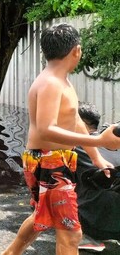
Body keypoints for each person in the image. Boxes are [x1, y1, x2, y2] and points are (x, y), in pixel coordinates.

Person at [2, 23, 120, 255]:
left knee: (42, 218)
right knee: (71, 233)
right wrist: (101, 141)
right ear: (76, 50)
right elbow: (46, 129)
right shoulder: (51, 84)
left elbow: (75, 120)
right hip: (48, 161)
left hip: (56, 160)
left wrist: (96, 157)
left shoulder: (62, 81)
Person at [75, 102, 120, 251]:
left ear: (79, 124)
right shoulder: (113, 143)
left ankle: (79, 236)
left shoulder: (74, 147)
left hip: (95, 223)